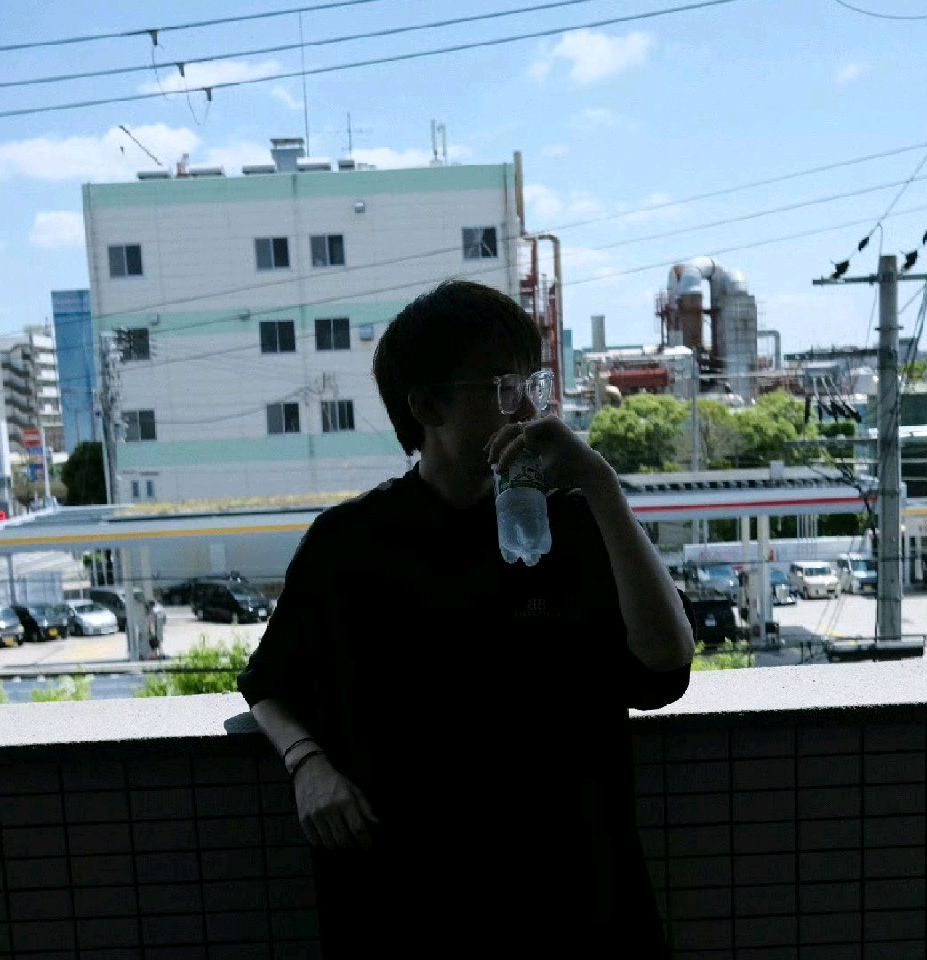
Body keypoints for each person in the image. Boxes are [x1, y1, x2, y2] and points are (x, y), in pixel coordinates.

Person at [237, 280, 696, 958]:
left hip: (576, 894)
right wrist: (309, 765)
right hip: (409, 898)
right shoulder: (349, 543)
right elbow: (268, 682)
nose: (529, 408)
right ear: (427, 406)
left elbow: (666, 661)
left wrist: (599, 481)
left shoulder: (574, 521)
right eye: (503, 387)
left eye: (533, 384)